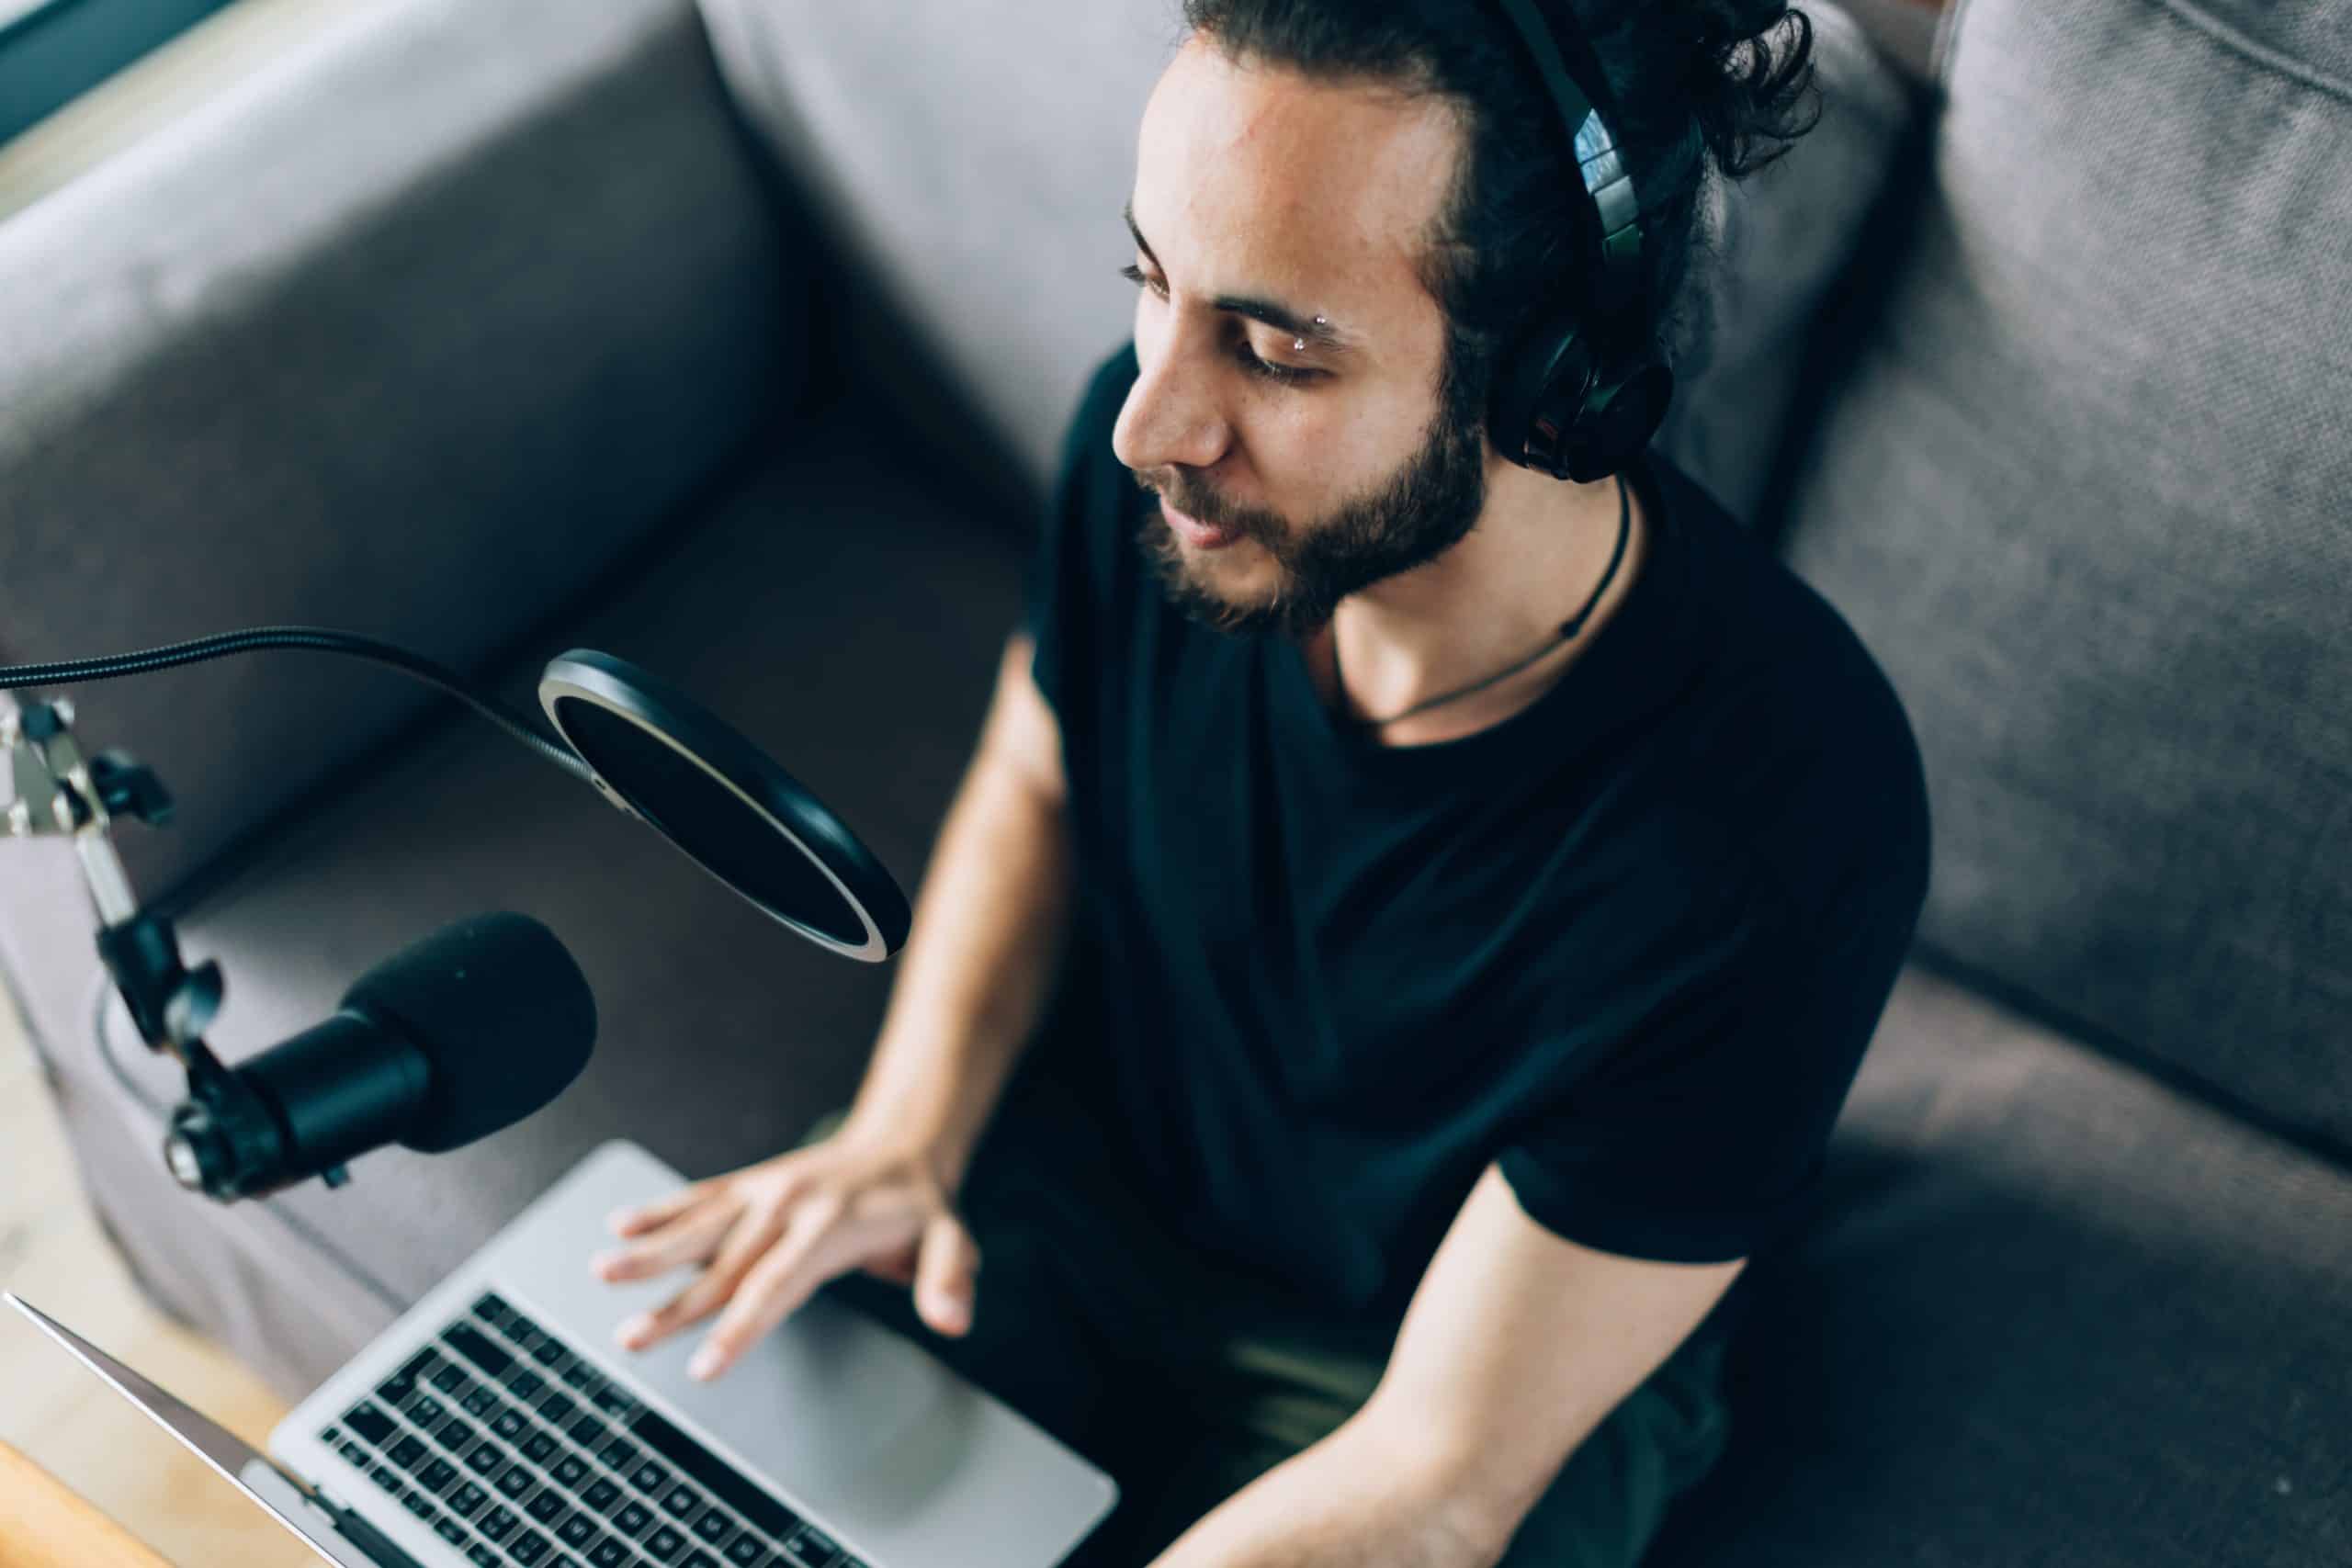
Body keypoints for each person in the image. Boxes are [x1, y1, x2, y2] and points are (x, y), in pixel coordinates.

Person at [589, 2, 1930, 1562]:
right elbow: (1042, 770)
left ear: (1550, 380)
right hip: (1088, 1186)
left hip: (1450, 1366)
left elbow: (1435, 1481)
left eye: (1277, 350)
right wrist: (910, 1125)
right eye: (1151, 283)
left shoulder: (1789, 812)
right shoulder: (1172, 480)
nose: (1151, 424)